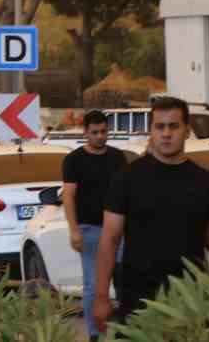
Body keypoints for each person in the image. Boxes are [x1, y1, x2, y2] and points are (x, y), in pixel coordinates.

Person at [93, 97, 209, 332]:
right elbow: (109, 239)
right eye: (159, 127)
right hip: (138, 300)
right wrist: (101, 297)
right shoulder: (126, 179)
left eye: (173, 126)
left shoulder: (207, 183)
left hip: (191, 302)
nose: (166, 133)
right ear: (151, 131)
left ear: (186, 130)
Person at [60, 110, 125, 339]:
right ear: (85, 132)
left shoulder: (118, 157)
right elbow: (68, 196)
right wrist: (74, 230)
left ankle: (125, 331)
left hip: (120, 231)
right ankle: (94, 334)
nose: (100, 136)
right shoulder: (74, 160)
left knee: (124, 282)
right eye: (95, 132)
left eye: (103, 131)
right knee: (93, 286)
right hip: (90, 230)